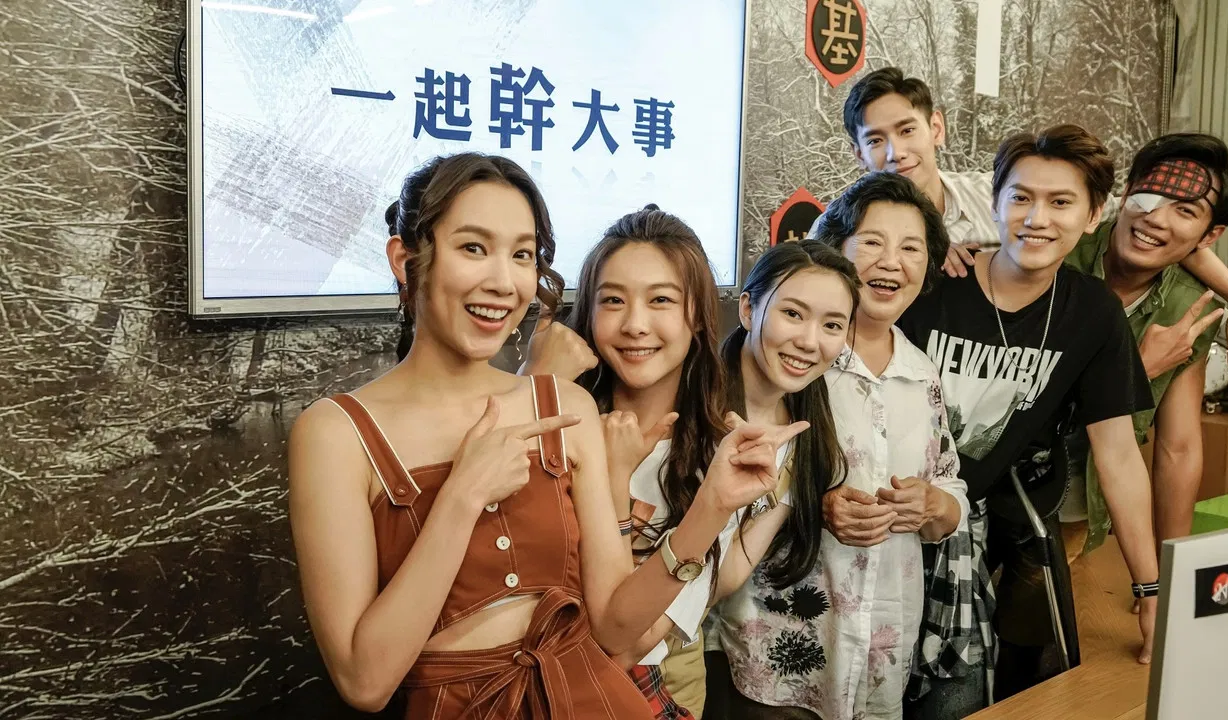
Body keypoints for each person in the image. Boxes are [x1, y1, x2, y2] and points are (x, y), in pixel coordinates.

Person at [287, 153, 795, 718]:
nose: (503, 283)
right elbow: (364, 682)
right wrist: (461, 497)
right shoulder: (335, 433)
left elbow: (614, 627)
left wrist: (712, 507)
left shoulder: (565, 407)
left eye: (522, 255)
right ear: (406, 260)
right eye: (473, 247)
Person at [825, 126, 1162, 718]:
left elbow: (1118, 455)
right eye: (1020, 197)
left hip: (964, 530)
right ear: (996, 202)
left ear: (1093, 216)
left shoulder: (1092, 313)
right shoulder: (932, 280)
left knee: (956, 696)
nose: (1037, 218)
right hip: (860, 519)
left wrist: (1149, 588)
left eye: (1061, 202)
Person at [821, 66, 1228, 390]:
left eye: (906, 130)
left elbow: (1143, 220)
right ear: (858, 153)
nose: (896, 152)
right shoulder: (837, 226)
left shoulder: (1000, 193)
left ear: (935, 127)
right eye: (875, 140)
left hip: (1011, 386)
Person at [726, 170, 968, 720]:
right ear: (836, 250)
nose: (892, 262)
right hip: (781, 645)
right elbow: (733, 489)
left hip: (883, 646)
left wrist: (935, 505)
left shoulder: (921, 373)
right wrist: (816, 505)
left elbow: (949, 480)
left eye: (912, 248)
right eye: (873, 242)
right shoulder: (796, 361)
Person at [521, 204, 773, 718]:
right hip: (517, 686)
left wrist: (613, 480)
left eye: (661, 299)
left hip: (644, 693)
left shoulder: (720, 458)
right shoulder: (554, 418)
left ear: (697, 316)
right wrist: (536, 383)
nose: (635, 325)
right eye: (613, 300)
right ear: (588, 312)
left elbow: (628, 642)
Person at [1059, 133, 1228, 561]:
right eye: (1150, 196)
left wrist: (1171, 570)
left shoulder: (1189, 307)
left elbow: (1177, 449)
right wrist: (1133, 370)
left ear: (1210, 235)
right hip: (996, 494)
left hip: (1077, 515)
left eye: (1185, 210)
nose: (1156, 219)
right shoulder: (1056, 258)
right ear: (1127, 192)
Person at [701, 240, 860, 720]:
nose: (810, 341)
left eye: (832, 325)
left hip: (713, 645)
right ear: (748, 309)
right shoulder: (695, 404)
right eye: (792, 313)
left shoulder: (803, 430)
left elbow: (727, 574)